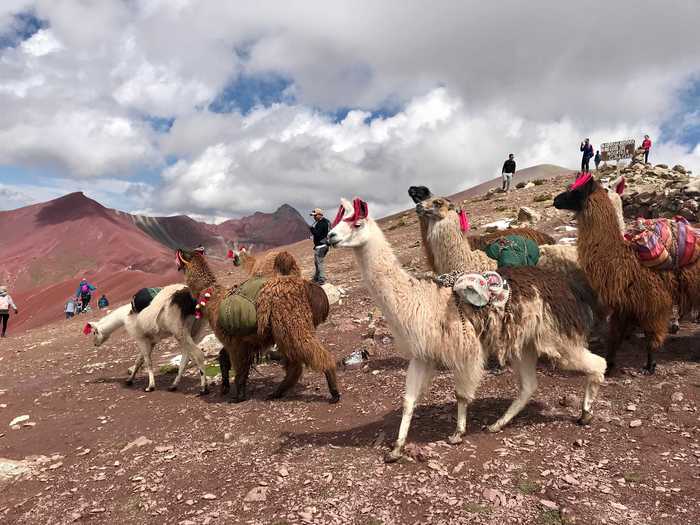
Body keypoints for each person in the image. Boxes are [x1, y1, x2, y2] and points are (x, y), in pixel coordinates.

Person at [309, 208, 331, 285]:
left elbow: (318, 234)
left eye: (315, 215)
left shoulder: (322, 223)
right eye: (313, 216)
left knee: (319, 262)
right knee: (317, 262)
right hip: (324, 245)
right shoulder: (326, 222)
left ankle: (321, 279)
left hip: (321, 246)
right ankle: (316, 277)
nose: (314, 217)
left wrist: (312, 229)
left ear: (319, 215)